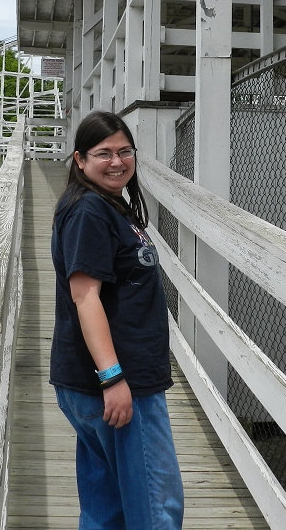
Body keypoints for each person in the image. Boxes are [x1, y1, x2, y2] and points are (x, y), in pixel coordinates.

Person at [50, 110, 184, 530]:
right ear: (80, 160)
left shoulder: (106, 205)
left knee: (106, 508)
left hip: (92, 382)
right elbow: (85, 296)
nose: (117, 161)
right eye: (103, 153)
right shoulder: (90, 211)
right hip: (116, 384)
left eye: (125, 151)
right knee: (156, 506)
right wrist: (113, 379)